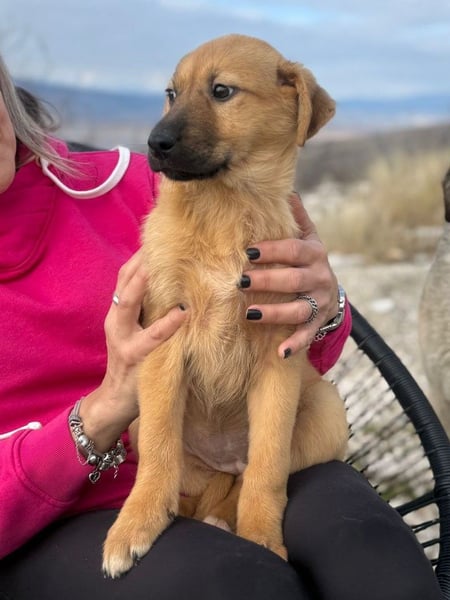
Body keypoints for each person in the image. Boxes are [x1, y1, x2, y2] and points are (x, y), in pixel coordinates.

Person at [0, 53, 443, 600]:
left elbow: (295, 354)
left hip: (248, 450)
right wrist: (101, 414)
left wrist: (320, 307)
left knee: (371, 552)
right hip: (52, 521)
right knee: (245, 583)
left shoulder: (143, 181)